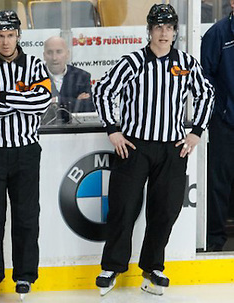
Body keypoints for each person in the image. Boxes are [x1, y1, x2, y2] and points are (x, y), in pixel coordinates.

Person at [92, 4, 214, 296]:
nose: (164, 33)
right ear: (149, 30)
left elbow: (206, 93)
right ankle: (111, 267)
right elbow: (103, 90)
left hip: (172, 150)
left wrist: (196, 131)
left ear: (175, 32)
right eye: (158, 27)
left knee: (166, 210)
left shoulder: (185, 63)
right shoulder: (132, 62)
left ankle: (153, 267)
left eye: (169, 28)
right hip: (135, 146)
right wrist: (113, 129)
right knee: (123, 208)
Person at [0, 10, 52, 301]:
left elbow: (42, 102)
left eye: (10, 35)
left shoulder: (34, 65)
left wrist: (2, 96)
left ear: (19, 35)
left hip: (26, 151)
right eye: (0, 36)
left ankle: (24, 275)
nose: (5, 42)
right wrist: (22, 100)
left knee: (27, 216)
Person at [201, 0, 234, 252]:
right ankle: (214, 239)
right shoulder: (217, 34)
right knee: (219, 183)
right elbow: (206, 78)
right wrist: (218, 112)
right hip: (225, 123)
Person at [42, 36, 94, 125]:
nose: (54, 57)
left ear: (67, 54)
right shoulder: (33, 76)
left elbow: (89, 108)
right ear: (44, 56)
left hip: (74, 131)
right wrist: (76, 101)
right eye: (50, 52)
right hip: (43, 132)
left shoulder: (82, 76)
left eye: (59, 52)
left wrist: (56, 100)